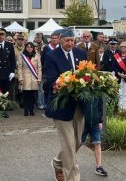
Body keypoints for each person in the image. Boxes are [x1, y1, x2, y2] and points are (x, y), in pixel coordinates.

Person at [44, 29, 87, 181]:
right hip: (61, 106)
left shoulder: (81, 54)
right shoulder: (51, 56)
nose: (70, 43)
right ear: (60, 40)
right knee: (69, 145)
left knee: (79, 141)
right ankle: (73, 178)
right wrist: (62, 83)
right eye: (66, 40)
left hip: (79, 105)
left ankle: (57, 163)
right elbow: (49, 80)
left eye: (72, 40)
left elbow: (87, 74)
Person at [81, 96, 108, 177]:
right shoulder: (82, 90)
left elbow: (100, 108)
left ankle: (99, 167)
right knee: (78, 143)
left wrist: (100, 121)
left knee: (97, 143)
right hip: (83, 123)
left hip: (95, 123)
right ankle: (69, 164)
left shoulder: (98, 92)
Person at [17, 42, 42, 116]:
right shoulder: (22, 56)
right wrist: (20, 78)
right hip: (25, 77)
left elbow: (39, 68)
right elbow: (19, 68)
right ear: (25, 48)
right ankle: (26, 110)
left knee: (32, 95)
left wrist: (39, 78)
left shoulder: (37, 55)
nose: (29, 48)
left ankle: (31, 109)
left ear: (33, 48)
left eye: (31, 47)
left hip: (34, 77)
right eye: (28, 47)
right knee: (25, 95)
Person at [113, 41, 126, 111]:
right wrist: (118, 73)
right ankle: (119, 108)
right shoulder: (116, 56)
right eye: (121, 46)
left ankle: (124, 109)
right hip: (118, 77)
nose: (123, 48)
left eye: (124, 47)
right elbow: (114, 66)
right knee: (119, 93)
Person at [41, 32, 60, 110]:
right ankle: (47, 106)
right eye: (53, 38)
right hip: (48, 72)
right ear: (50, 39)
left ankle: (57, 106)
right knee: (47, 89)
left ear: (58, 39)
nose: (54, 40)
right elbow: (42, 60)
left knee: (58, 89)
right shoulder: (46, 48)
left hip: (59, 72)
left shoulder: (61, 48)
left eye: (56, 38)